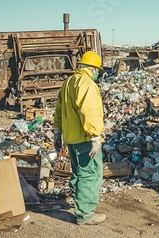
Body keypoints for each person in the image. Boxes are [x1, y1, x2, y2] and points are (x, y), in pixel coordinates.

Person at [53, 51, 106, 225]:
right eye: (97, 70)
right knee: (89, 174)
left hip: (71, 138)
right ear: (92, 69)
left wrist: (57, 131)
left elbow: (59, 109)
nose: (97, 73)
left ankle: (78, 201)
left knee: (78, 173)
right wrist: (95, 137)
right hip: (84, 138)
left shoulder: (68, 82)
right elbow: (89, 111)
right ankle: (85, 214)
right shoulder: (87, 84)